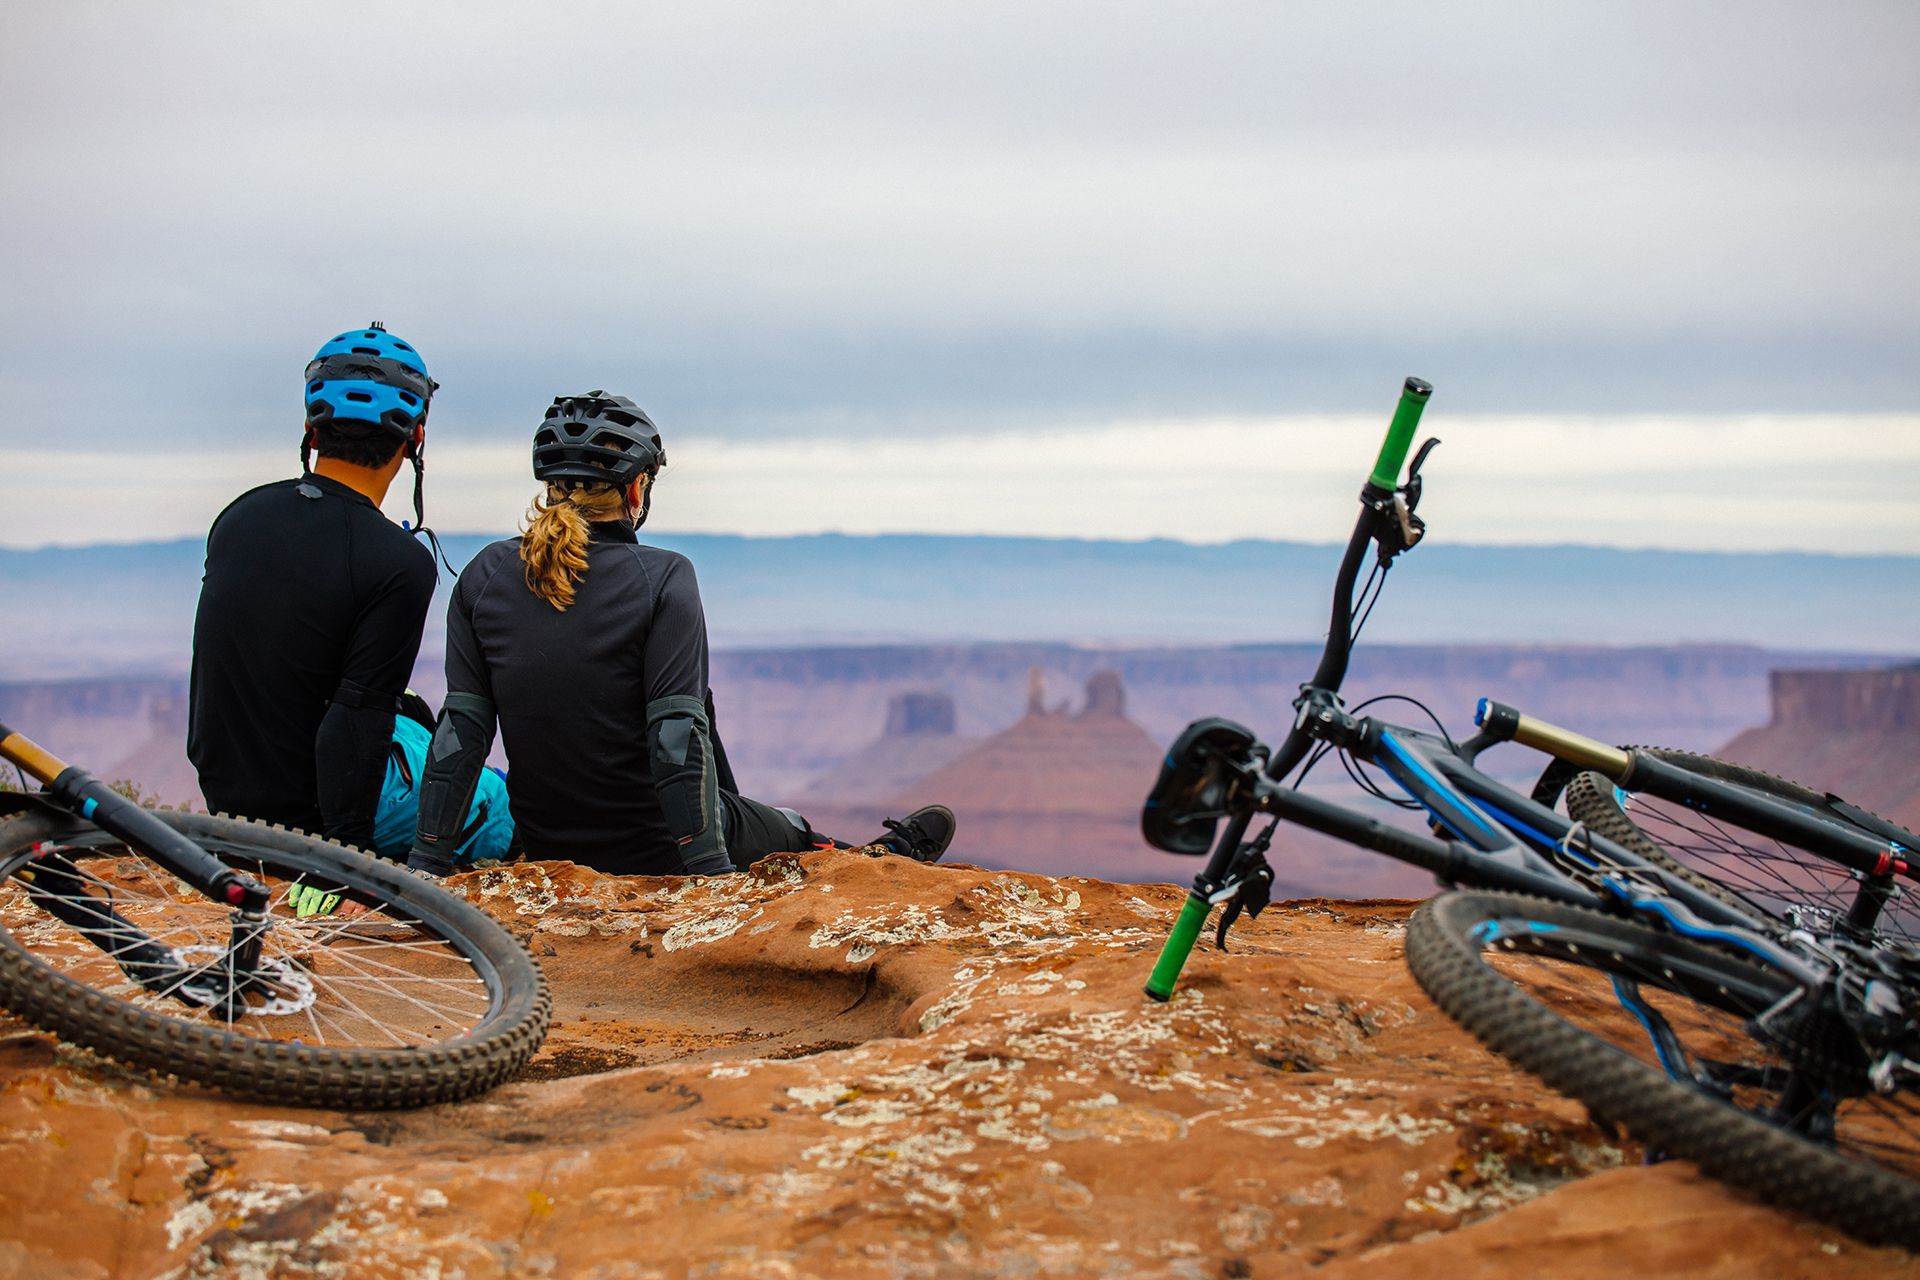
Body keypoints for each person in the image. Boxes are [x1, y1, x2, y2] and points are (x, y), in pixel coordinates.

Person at [405, 390, 955, 878]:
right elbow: (675, 737)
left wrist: (425, 864)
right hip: (657, 848)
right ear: (636, 489)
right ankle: (872, 868)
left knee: (714, 749)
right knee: (788, 829)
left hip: (550, 842)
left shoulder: (485, 573)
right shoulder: (664, 576)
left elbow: (463, 732)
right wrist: (710, 874)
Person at [188, 323, 511, 872]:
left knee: (411, 715)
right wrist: (344, 856)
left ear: (313, 431)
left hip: (230, 802)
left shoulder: (239, 518)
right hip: (310, 816)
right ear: (416, 438)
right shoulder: (398, 562)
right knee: (494, 795)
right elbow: (356, 716)